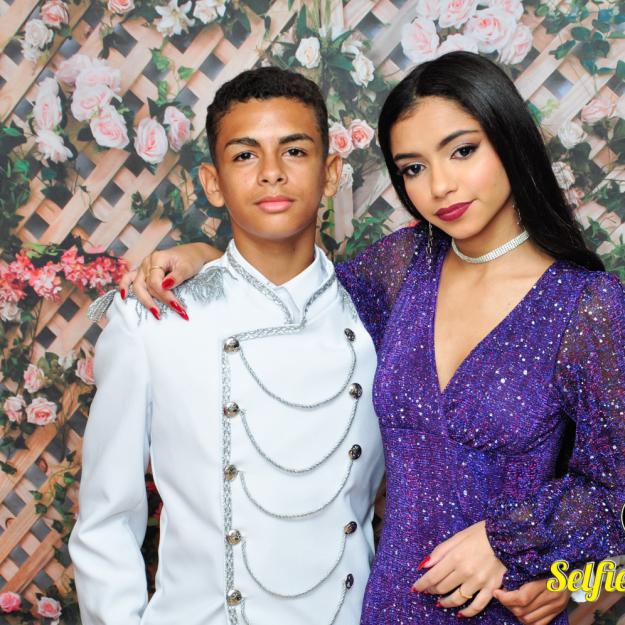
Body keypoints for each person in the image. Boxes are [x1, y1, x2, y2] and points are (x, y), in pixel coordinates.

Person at [123, 53, 625, 624]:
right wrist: (207, 258)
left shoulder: (588, 305)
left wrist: (558, 571)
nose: (440, 185)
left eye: (463, 151)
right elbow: (297, 292)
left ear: (509, 139)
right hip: (389, 605)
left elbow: (617, 493)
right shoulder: (405, 266)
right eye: (413, 168)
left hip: (503, 610)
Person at [69, 67, 387, 625]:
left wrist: (553, 579)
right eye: (244, 155)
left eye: (294, 151)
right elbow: (106, 521)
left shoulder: (380, 319)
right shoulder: (153, 319)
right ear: (213, 183)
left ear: (331, 173)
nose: (271, 173)